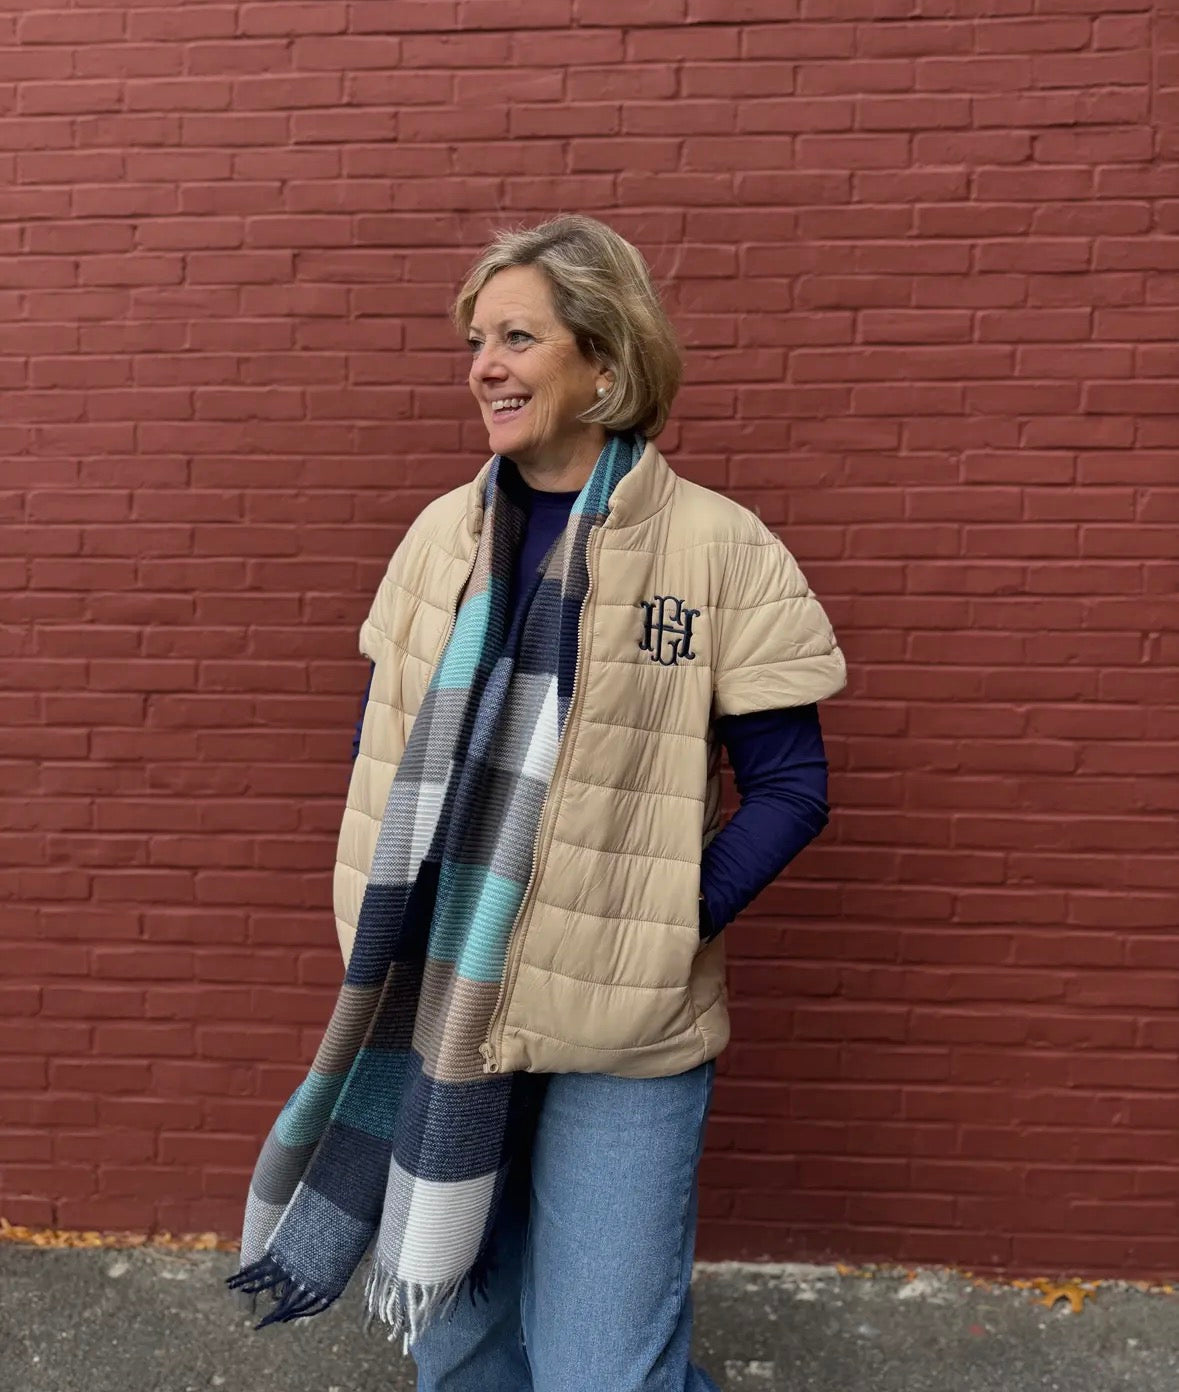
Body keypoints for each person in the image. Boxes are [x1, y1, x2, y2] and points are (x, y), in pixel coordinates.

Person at [229, 215, 846, 1392]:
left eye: (517, 337)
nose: (484, 367)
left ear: (605, 360)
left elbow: (791, 787)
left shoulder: (719, 551)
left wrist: (664, 926)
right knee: (462, 1349)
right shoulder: (440, 538)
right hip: (446, 1005)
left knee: (604, 1369)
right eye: (476, 341)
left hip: (628, 1031)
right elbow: (383, 746)